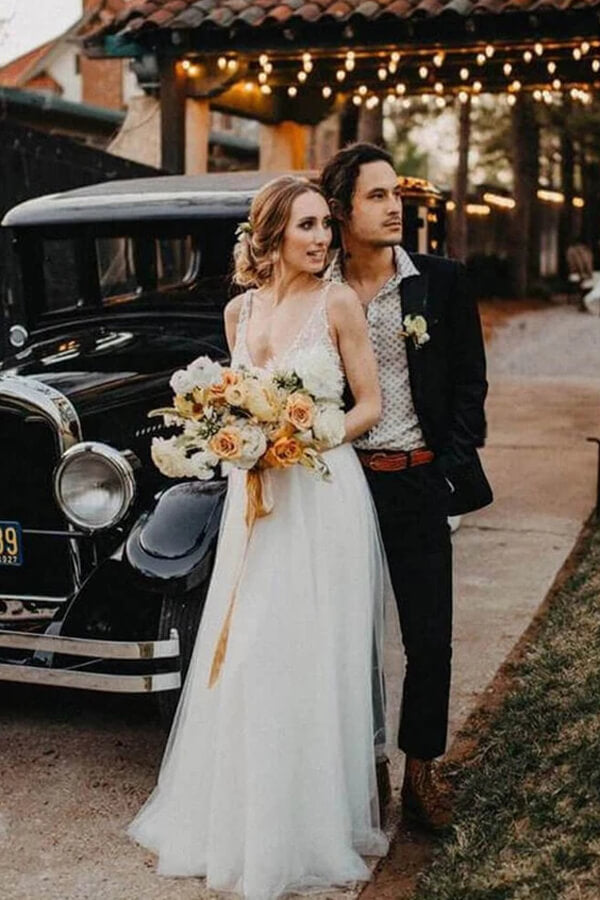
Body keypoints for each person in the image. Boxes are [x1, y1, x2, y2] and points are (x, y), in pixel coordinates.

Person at [128, 175, 390, 899]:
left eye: (325, 226)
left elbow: (369, 404)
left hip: (321, 495)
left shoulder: (339, 303)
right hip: (255, 501)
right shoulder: (237, 312)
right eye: (307, 226)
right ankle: (242, 819)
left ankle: (310, 827)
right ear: (270, 235)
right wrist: (237, 440)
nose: (322, 239)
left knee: (310, 651)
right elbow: (231, 404)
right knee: (249, 647)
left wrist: (304, 437)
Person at [321, 143, 492, 831]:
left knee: (429, 638)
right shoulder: (318, 289)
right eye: (376, 196)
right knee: (348, 637)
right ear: (340, 210)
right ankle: (367, 769)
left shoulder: (442, 281)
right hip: (344, 489)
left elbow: (471, 385)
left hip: (420, 479)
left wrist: (447, 468)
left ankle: (422, 769)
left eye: (396, 193)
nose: (395, 206)